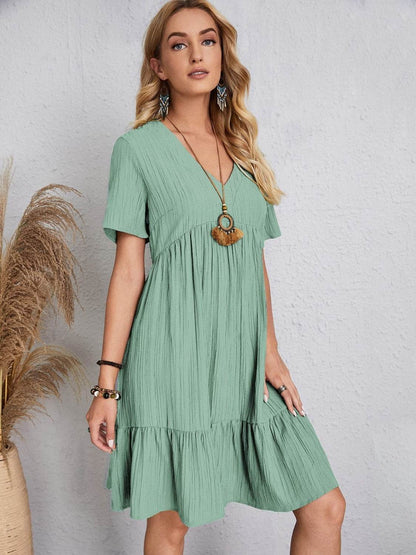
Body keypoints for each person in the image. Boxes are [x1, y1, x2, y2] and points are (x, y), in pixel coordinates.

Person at [86, 1, 346, 553]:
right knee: (172, 525)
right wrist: (107, 386)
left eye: (207, 41)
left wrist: (270, 352)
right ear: (159, 66)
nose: (196, 54)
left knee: (325, 506)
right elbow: (129, 270)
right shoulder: (137, 150)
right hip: (172, 360)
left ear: (222, 54)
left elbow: (253, 261)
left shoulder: (243, 149)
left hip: (243, 359)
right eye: (178, 44)